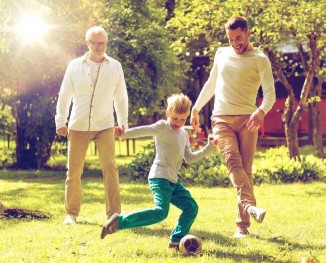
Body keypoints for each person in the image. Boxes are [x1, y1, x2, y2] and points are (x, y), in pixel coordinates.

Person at [190, 16, 276, 238]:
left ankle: (242, 226)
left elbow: (270, 95)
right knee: (233, 162)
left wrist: (260, 111)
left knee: (245, 171)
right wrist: (196, 108)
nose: (235, 43)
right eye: (230, 39)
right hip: (221, 119)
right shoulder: (222, 53)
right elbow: (211, 84)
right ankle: (250, 207)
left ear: (248, 33)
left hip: (248, 120)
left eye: (238, 38)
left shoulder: (260, 59)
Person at [100, 94, 217, 249]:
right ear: (168, 113)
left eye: (182, 119)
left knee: (191, 207)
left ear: (187, 117)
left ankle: (176, 240)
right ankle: (119, 221)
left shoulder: (184, 134)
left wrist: (210, 147)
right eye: (175, 118)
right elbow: (144, 130)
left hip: (173, 181)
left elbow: (189, 158)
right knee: (161, 212)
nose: (178, 123)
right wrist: (123, 133)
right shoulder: (162, 127)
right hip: (160, 177)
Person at [55, 26, 129, 225]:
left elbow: (121, 97)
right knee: (74, 171)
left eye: (103, 42)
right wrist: (61, 121)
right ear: (87, 43)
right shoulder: (74, 66)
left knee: (110, 168)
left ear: (106, 43)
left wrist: (123, 123)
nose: (99, 46)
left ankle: (114, 214)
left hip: (105, 125)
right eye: (95, 42)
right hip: (78, 125)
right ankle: (71, 214)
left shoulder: (115, 66)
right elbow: (64, 95)